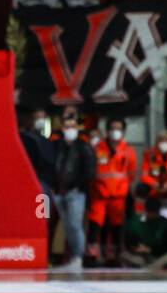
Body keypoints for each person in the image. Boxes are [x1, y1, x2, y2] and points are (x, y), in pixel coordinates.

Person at [88, 118, 138, 266]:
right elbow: (92, 171)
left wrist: (122, 187)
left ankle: (114, 255)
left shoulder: (128, 151)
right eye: (112, 128)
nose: (115, 131)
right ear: (107, 130)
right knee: (95, 224)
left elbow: (131, 173)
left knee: (117, 226)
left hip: (118, 195)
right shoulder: (97, 149)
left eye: (118, 128)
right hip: (99, 193)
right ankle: (93, 254)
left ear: (123, 131)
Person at [52, 111, 95, 271]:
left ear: (77, 128)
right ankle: (72, 258)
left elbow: (90, 171)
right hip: (59, 191)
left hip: (76, 192)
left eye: (72, 126)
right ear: (62, 128)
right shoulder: (57, 146)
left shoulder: (84, 147)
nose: (70, 129)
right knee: (68, 225)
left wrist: (77, 185)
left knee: (75, 225)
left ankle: (78, 257)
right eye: (67, 126)